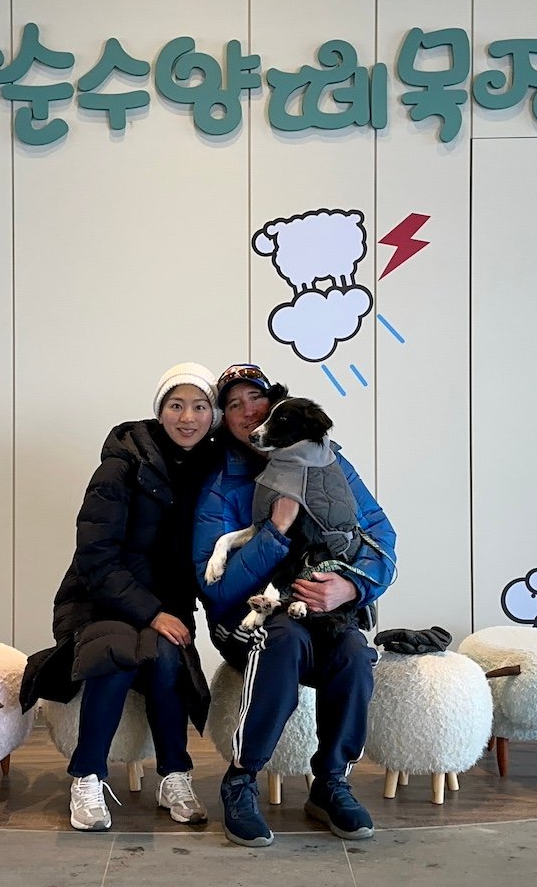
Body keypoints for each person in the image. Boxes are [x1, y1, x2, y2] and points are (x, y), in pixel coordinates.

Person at [193, 363, 397, 847]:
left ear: (277, 404)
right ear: (224, 418)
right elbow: (215, 592)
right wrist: (276, 532)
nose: (248, 411)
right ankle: (241, 780)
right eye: (234, 404)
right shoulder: (219, 485)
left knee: (351, 650)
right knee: (280, 639)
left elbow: (382, 541)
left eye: (255, 399)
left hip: (324, 612)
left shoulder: (331, 464)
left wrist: (351, 588)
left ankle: (330, 782)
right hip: (251, 620)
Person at [20, 363, 224, 832]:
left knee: (168, 660)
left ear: (211, 415)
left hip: (162, 609)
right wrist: (151, 613)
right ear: (160, 410)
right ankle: (87, 778)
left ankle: (175, 776)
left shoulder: (210, 470)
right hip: (96, 601)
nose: (187, 417)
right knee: (117, 653)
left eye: (199, 406)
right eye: (176, 405)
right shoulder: (121, 462)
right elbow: (95, 557)